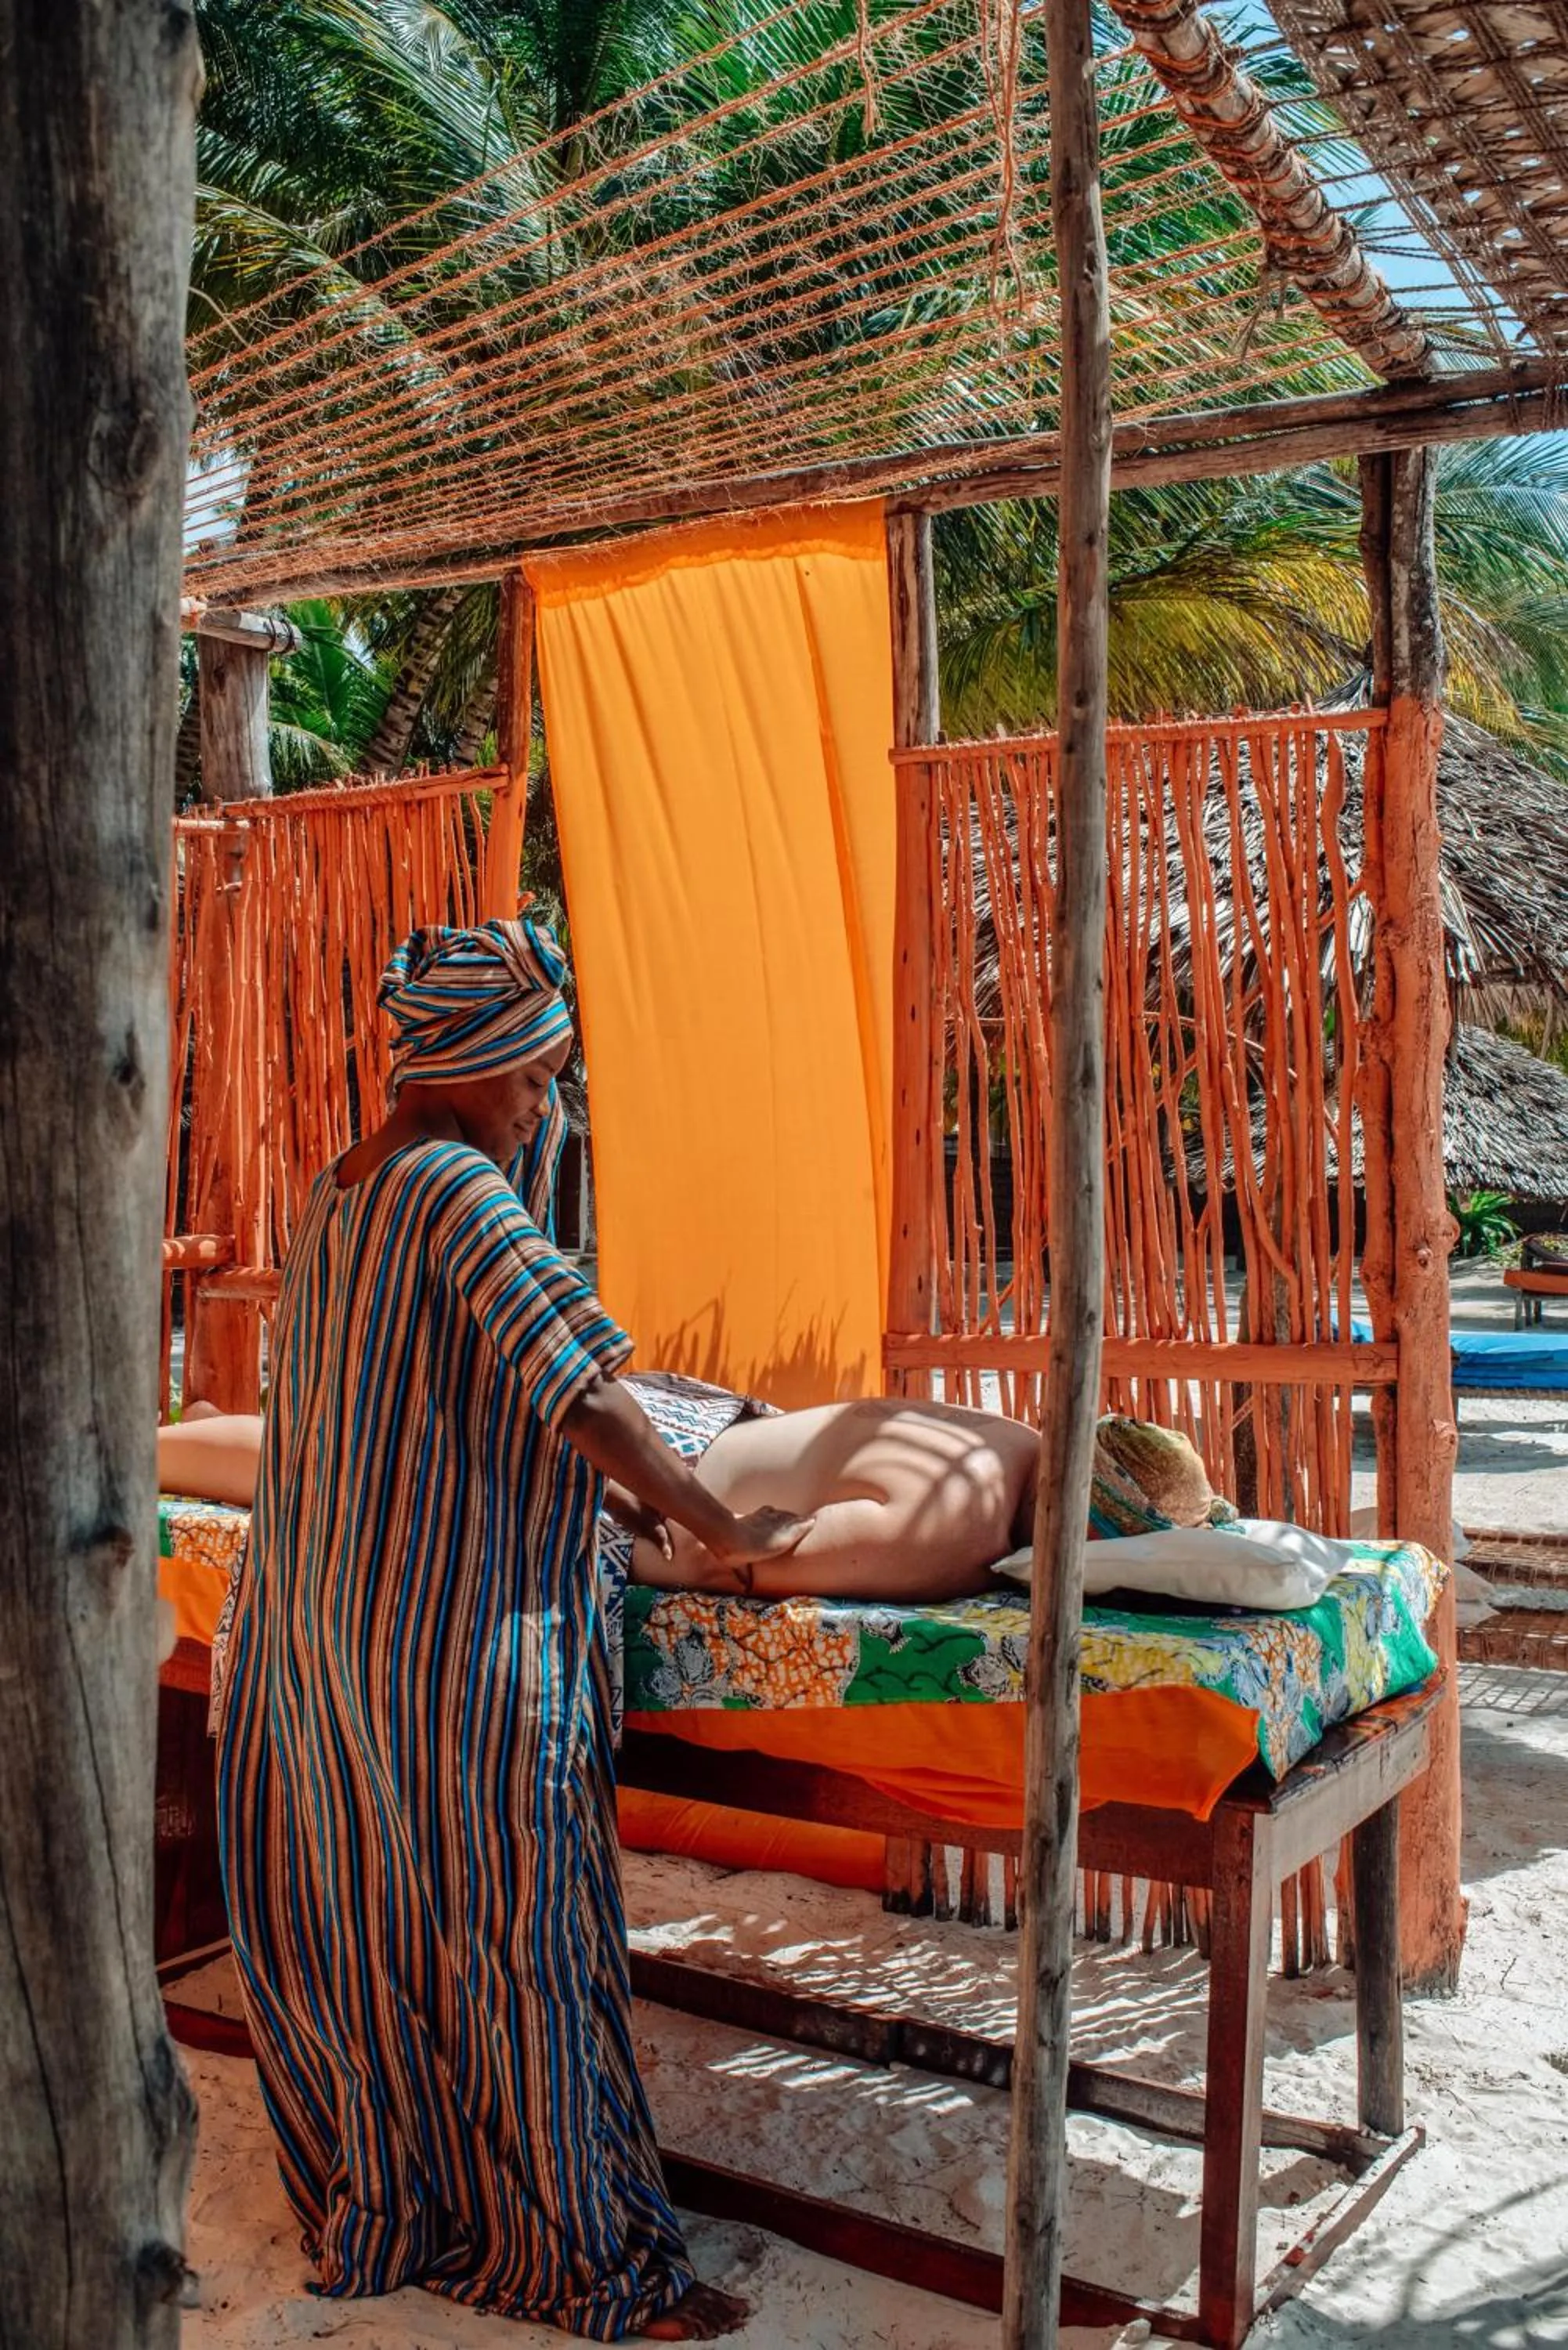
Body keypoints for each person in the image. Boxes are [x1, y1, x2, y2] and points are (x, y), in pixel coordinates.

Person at [215, 916, 815, 2343]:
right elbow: (591, 1397)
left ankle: (405, 2200)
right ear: (474, 1062)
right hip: (460, 1647)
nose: (544, 1104)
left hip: (325, 1636)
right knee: (519, 1942)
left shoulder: (344, 1186)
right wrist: (712, 1525)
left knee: (381, 1933)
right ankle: (585, 2265)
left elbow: (421, 1394)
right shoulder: (457, 1192)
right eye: (535, 1078)